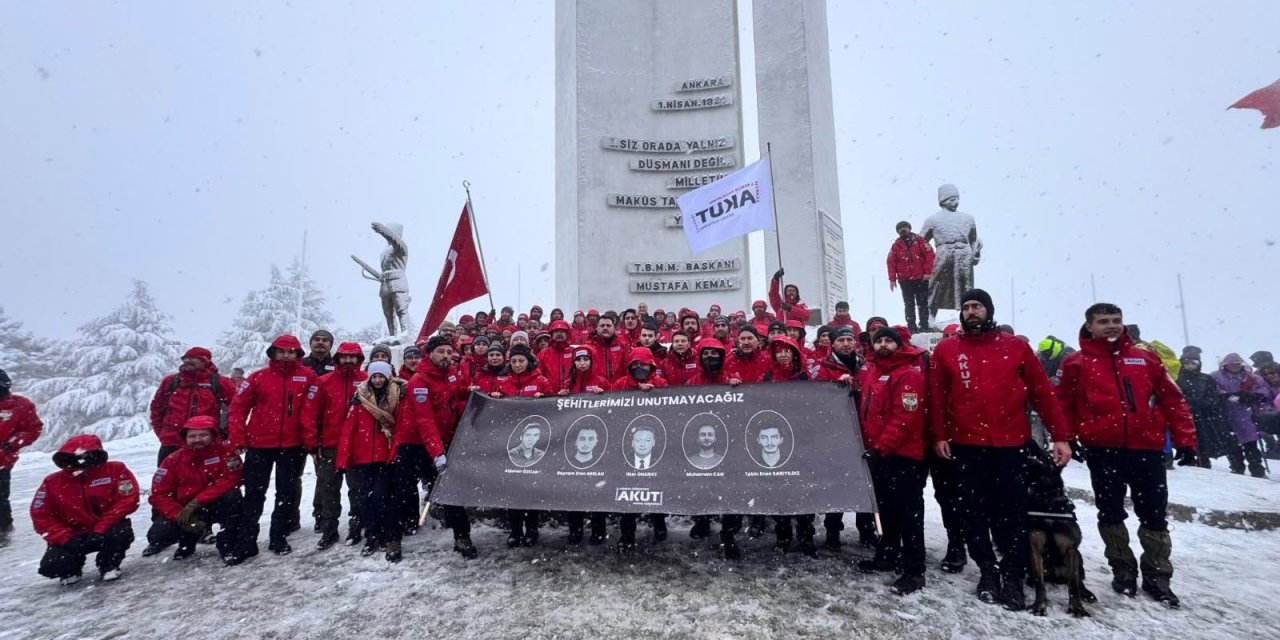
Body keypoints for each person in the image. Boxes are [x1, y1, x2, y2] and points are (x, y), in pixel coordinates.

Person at [929, 289, 1070, 611]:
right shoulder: (948, 349)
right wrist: (939, 435)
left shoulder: (1015, 347)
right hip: (966, 445)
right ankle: (988, 571)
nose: (971, 311)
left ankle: (1013, 575)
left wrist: (1060, 436)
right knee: (974, 512)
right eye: (965, 307)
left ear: (988, 310)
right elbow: (937, 398)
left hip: (1009, 445)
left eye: (977, 306)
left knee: (1012, 514)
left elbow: (1042, 392)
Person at [1055, 303, 1197, 608]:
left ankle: (1158, 576)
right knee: (1110, 512)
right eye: (1103, 321)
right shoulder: (1076, 363)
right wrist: (1067, 436)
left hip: (1147, 448)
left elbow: (1173, 400)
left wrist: (1185, 439)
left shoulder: (1145, 359)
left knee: (1154, 514)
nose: (1111, 326)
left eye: (1116, 320)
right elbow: (1063, 403)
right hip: (1103, 449)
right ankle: (1123, 570)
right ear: (1089, 326)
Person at [226, 334, 316, 560]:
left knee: (286, 492)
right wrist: (238, 438)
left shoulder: (307, 377)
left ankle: (278, 536)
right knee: (254, 493)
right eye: (281, 351)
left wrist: (311, 441)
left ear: (298, 354)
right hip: (260, 444)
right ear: (273, 353)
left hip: (293, 445)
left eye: (291, 351)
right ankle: (247, 540)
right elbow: (237, 409)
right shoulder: (258, 378)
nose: (286, 355)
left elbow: (313, 410)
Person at [856, 327, 929, 595]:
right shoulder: (874, 372)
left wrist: (882, 447)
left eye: (889, 341)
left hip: (903, 456)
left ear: (899, 344)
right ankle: (887, 554)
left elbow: (905, 418)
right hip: (879, 455)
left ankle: (914, 570)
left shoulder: (907, 374)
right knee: (885, 510)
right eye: (879, 341)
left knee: (909, 514)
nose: (883, 345)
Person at [143, 346, 235, 548]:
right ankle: (162, 532)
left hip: (207, 443)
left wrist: (225, 435)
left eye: (194, 359)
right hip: (173, 443)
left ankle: (204, 528)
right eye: (186, 358)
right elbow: (157, 408)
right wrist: (163, 433)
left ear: (206, 361)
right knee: (166, 489)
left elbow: (235, 407)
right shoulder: (171, 382)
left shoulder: (218, 382)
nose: (188, 362)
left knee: (208, 483)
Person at [31, 435, 140, 584]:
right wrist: (66, 538)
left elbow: (127, 500)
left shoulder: (116, 469)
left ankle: (108, 565)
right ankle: (71, 569)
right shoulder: (51, 482)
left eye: (87, 456)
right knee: (52, 565)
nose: (81, 461)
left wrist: (100, 529)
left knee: (120, 533)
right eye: (75, 456)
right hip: (72, 534)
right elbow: (41, 516)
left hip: (105, 529)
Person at [403, 335, 476, 557]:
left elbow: (456, 396)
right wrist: (437, 454)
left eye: (448, 352)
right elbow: (425, 421)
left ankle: (462, 537)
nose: (445, 356)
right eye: (440, 352)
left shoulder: (452, 374)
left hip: (444, 439)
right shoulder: (419, 381)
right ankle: (394, 536)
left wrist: (473, 392)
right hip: (417, 444)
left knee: (452, 491)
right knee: (404, 490)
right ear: (430, 353)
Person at [147, 416, 244, 564]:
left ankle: (228, 544)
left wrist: (198, 501)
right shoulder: (172, 460)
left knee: (233, 497)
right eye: (192, 436)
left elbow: (232, 479)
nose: (197, 439)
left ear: (213, 435)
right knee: (159, 534)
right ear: (185, 438)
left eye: (203, 435)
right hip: (185, 509)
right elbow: (159, 494)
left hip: (215, 504)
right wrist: (179, 515)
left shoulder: (226, 453)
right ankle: (188, 541)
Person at [300, 341, 367, 550]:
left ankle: (356, 525)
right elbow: (309, 414)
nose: (348, 360)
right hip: (329, 444)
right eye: (345, 356)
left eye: (352, 357)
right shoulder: (323, 382)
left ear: (358, 359)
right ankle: (329, 528)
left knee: (357, 488)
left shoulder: (366, 381)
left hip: (357, 445)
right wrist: (312, 443)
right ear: (338, 359)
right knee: (329, 488)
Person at [338, 361, 406, 561]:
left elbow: (400, 427)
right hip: (363, 456)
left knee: (382, 498)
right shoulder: (359, 400)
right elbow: (348, 430)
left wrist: (396, 451)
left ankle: (385, 533)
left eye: (381, 376)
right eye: (374, 376)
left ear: (387, 377)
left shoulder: (397, 397)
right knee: (365, 500)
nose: (377, 380)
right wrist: (343, 458)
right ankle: (371, 535)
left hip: (386, 456)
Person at [685, 339, 744, 558]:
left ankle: (728, 533)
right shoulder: (693, 381)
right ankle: (701, 522)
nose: (711, 357)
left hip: (727, 441)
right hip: (701, 440)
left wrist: (737, 387)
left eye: (715, 353)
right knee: (700, 485)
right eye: (706, 353)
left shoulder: (731, 378)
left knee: (729, 488)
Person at [814, 326, 863, 550]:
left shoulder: (864, 364)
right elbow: (818, 397)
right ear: (832, 344)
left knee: (863, 481)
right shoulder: (825, 367)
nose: (846, 344)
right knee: (837, 483)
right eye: (841, 340)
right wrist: (836, 386)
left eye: (849, 340)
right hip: (835, 432)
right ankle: (833, 528)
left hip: (862, 430)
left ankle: (866, 527)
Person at [920, 183, 981, 330]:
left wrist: (975, 253)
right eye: (951, 199)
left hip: (963, 256)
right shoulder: (933, 220)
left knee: (965, 288)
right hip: (943, 254)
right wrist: (925, 261)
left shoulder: (968, 218)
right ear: (942, 200)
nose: (955, 202)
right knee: (936, 286)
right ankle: (930, 317)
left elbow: (973, 239)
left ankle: (965, 315)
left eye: (956, 199)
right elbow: (921, 241)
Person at [0, 368, 42, 547]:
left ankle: (3, 530)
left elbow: (33, 429)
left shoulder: (19, 405)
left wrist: (12, 443)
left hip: (2, 459)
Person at [1211, 353, 1270, 477]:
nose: (1234, 366)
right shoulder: (1216, 377)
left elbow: (1264, 392)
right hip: (1227, 416)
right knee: (1233, 446)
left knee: (1251, 445)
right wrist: (1225, 396)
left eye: (1237, 364)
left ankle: (1257, 470)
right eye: (1231, 364)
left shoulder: (1251, 377)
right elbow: (1213, 390)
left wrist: (1252, 396)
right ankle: (1237, 468)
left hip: (1247, 415)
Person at [1177, 352, 1233, 467]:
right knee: (1186, 437)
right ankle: (1188, 459)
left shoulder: (1206, 378)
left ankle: (1204, 460)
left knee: (1203, 437)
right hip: (1184, 413)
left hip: (1203, 413)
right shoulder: (1178, 379)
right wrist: (1187, 402)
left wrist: (1205, 403)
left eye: (1193, 363)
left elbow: (1213, 395)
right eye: (1187, 363)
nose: (1190, 366)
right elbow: (1175, 395)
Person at [886, 221, 936, 332]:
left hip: (921, 279)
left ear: (909, 228)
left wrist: (927, 272)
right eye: (899, 228)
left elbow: (930, 255)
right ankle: (911, 326)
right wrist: (892, 279)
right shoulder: (896, 246)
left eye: (904, 227)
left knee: (922, 303)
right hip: (905, 280)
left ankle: (924, 325)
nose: (902, 230)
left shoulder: (920, 241)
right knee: (909, 304)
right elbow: (891, 262)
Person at [590, 313, 631, 383]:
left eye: (608, 325)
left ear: (614, 328)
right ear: (596, 328)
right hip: (597, 389)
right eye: (602, 325)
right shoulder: (589, 347)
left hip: (620, 389)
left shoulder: (623, 346)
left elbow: (628, 369)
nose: (605, 328)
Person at [537, 320, 576, 393]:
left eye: (562, 331)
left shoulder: (574, 352)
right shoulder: (543, 353)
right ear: (551, 334)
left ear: (567, 334)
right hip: (549, 395)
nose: (559, 334)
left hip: (571, 395)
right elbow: (537, 375)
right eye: (556, 331)